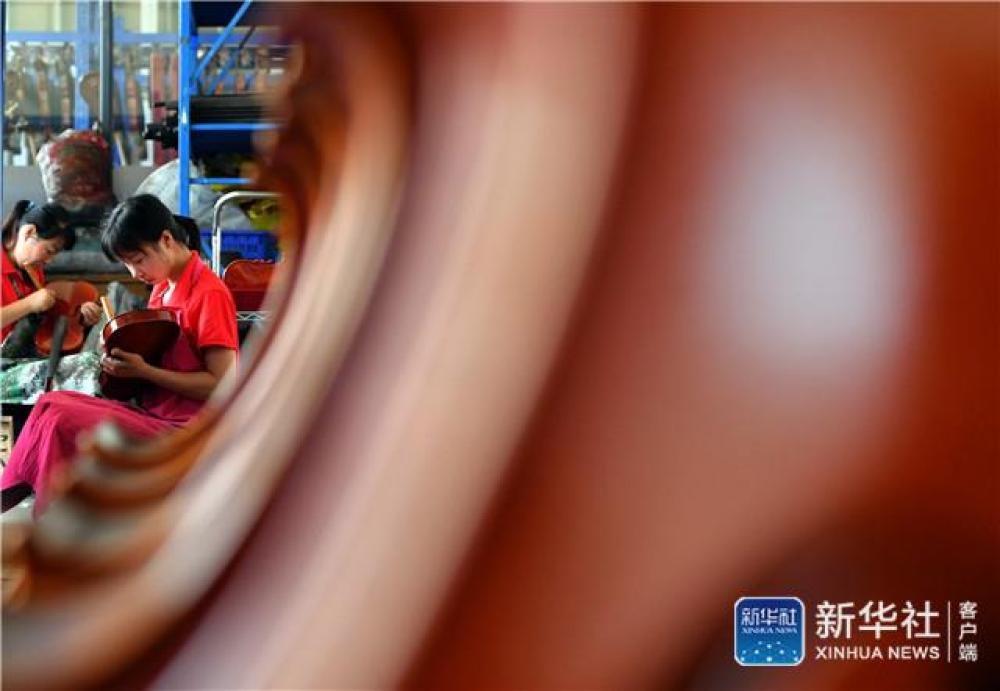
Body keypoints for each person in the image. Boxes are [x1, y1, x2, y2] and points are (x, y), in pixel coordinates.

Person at [0, 194, 239, 513]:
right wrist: (120, 354)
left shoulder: (209, 293)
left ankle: (54, 519)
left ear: (166, 240)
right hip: (154, 412)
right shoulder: (163, 287)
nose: (134, 273)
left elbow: (223, 385)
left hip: (185, 428)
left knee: (61, 418)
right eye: (127, 264)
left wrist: (145, 372)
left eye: (137, 260)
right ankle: (13, 498)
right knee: (49, 402)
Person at [1, 200, 101, 343]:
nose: (49, 261)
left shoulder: (35, 269)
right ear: (29, 232)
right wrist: (29, 304)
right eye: (49, 251)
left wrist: (80, 315)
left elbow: (43, 315)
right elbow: (32, 305)